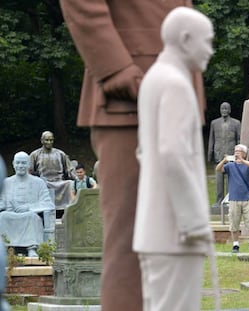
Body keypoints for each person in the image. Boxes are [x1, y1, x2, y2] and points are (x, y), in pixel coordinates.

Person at [59, 1, 202, 310]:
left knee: (175, 246)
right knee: (131, 248)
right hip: (129, 100)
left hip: (174, 94)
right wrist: (117, 70)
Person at [133, 7, 214, 311]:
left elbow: (145, 151)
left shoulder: (155, 78)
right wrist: (194, 222)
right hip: (176, 233)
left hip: (155, 229)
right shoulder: (176, 84)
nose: (210, 49)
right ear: (185, 39)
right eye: (207, 41)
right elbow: (172, 154)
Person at [0, 152, 54, 257]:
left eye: (23, 163)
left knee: (32, 217)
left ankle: (31, 248)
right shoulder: (6, 182)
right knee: (2, 216)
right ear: (13, 164)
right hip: (10, 214)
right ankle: (7, 248)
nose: (20, 166)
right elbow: (2, 201)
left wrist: (28, 208)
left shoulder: (38, 182)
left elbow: (48, 204)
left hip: (29, 215)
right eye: (18, 163)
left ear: (28, 164)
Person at [216, 144, 249, 253]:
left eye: (239, 151)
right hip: (234, 199)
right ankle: (235, 245)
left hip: (247, 199)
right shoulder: (230, 166)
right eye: (235, 151)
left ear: (244, 154)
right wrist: (223, 161)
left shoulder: (247, 165)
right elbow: (218, 169)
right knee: (234, 223)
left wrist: (242, 161)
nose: (236, 153)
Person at [29, 131, 75, 212]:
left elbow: (69, 169)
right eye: (46, 140)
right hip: (44, 182)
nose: (49, 142)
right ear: (42, 140)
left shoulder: (60, 154)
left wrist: (77, 179)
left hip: (60, 182)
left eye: (51, 140)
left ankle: (71, 209)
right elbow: (30, 171)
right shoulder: (35, 155)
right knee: (41, 185)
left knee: (70, 184)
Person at [208, 102, 241, 208]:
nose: (224, 110)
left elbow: (239, 139)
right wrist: (210, 154)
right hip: (218, 156)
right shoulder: (214, 123)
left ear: (230, 110)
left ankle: (230, 200)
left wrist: (239, 154)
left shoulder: (236, 123)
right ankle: (219, 201)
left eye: (226, 108)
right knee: (219, 181)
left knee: (231, 180)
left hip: (231, 156)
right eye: (222, 108)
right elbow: (211, 140)